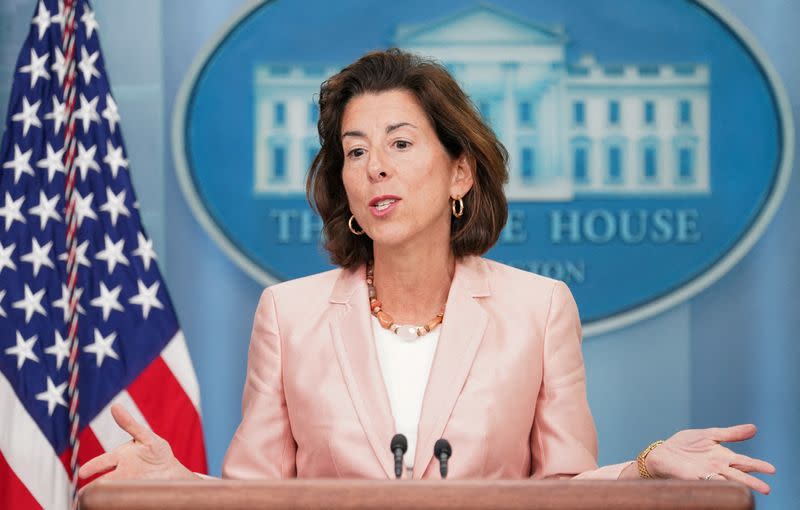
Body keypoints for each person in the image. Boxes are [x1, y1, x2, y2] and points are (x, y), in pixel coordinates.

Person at [79, 49, 775, 492]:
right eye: (354, 151)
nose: (374, 165)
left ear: (460, 172)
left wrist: (645, 463)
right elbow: (257, 493)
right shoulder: (288, 315)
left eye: (401, 143)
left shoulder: (539, 309)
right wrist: (177, 485)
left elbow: (567, 490)